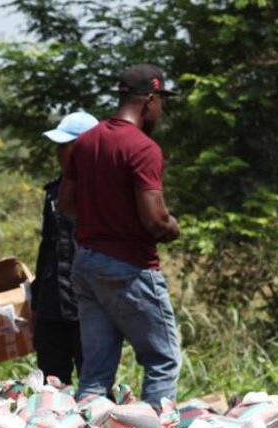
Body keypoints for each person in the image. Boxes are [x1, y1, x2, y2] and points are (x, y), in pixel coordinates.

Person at [58, 64, 182, 407]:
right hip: (130, 267)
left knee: (95, 372)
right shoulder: (143, 149)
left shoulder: (85, 142)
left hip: (86, 264)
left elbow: (65, 202)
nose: (161, 111)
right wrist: (173, 227)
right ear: (150, 100)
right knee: (162, 360)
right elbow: (155, 220)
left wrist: (102, 218)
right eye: (161, 103)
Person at [32, 111, 99, 385]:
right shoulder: (54, 192)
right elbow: (47, 248)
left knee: (94, 382)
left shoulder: (104, 191)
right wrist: (36, 301)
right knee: (52, 383)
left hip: (88, 304)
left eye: (66, 146)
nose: (60, 153)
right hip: (52, 304)